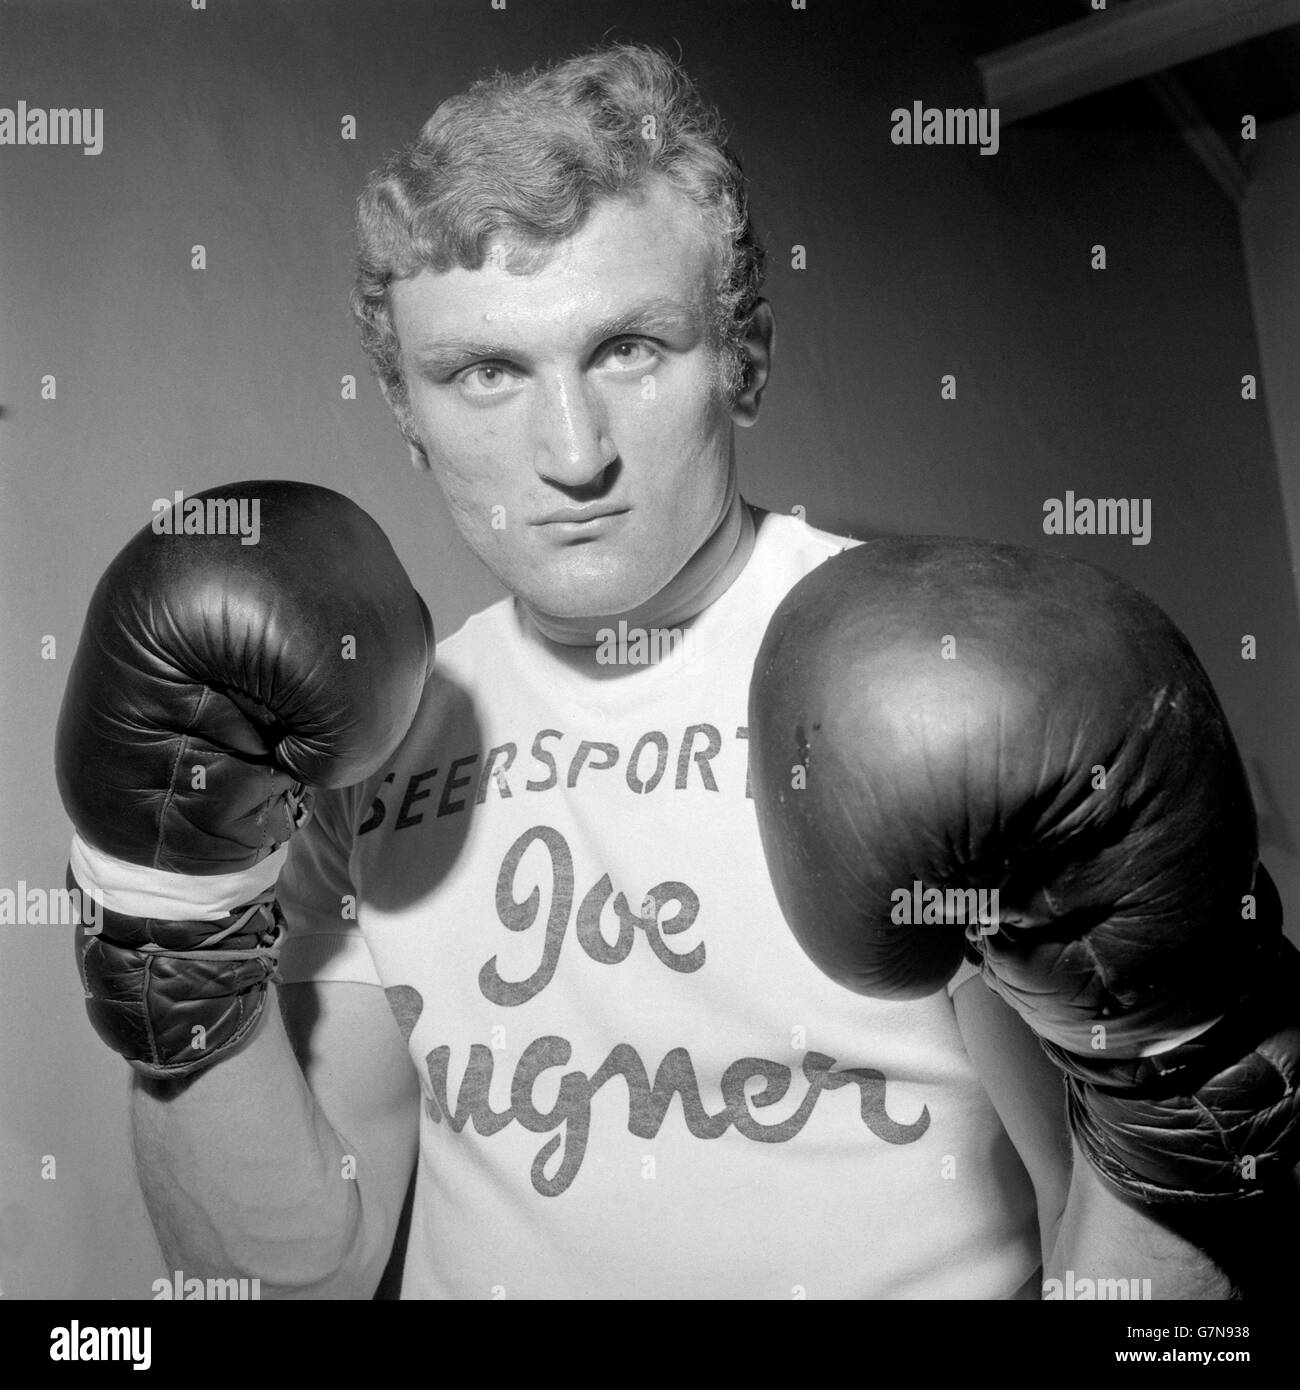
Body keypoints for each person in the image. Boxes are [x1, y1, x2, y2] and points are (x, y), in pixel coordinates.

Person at [57, 43, 1298, 1300]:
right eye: (484, 372)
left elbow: (1118, 1285)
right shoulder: (363, 743)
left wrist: (1185, 1080)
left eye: (630, 348)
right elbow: (301, 1272)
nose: (571, 450)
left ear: (741, 358)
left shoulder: (938, 689)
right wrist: (167, 919)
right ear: (407, 416)